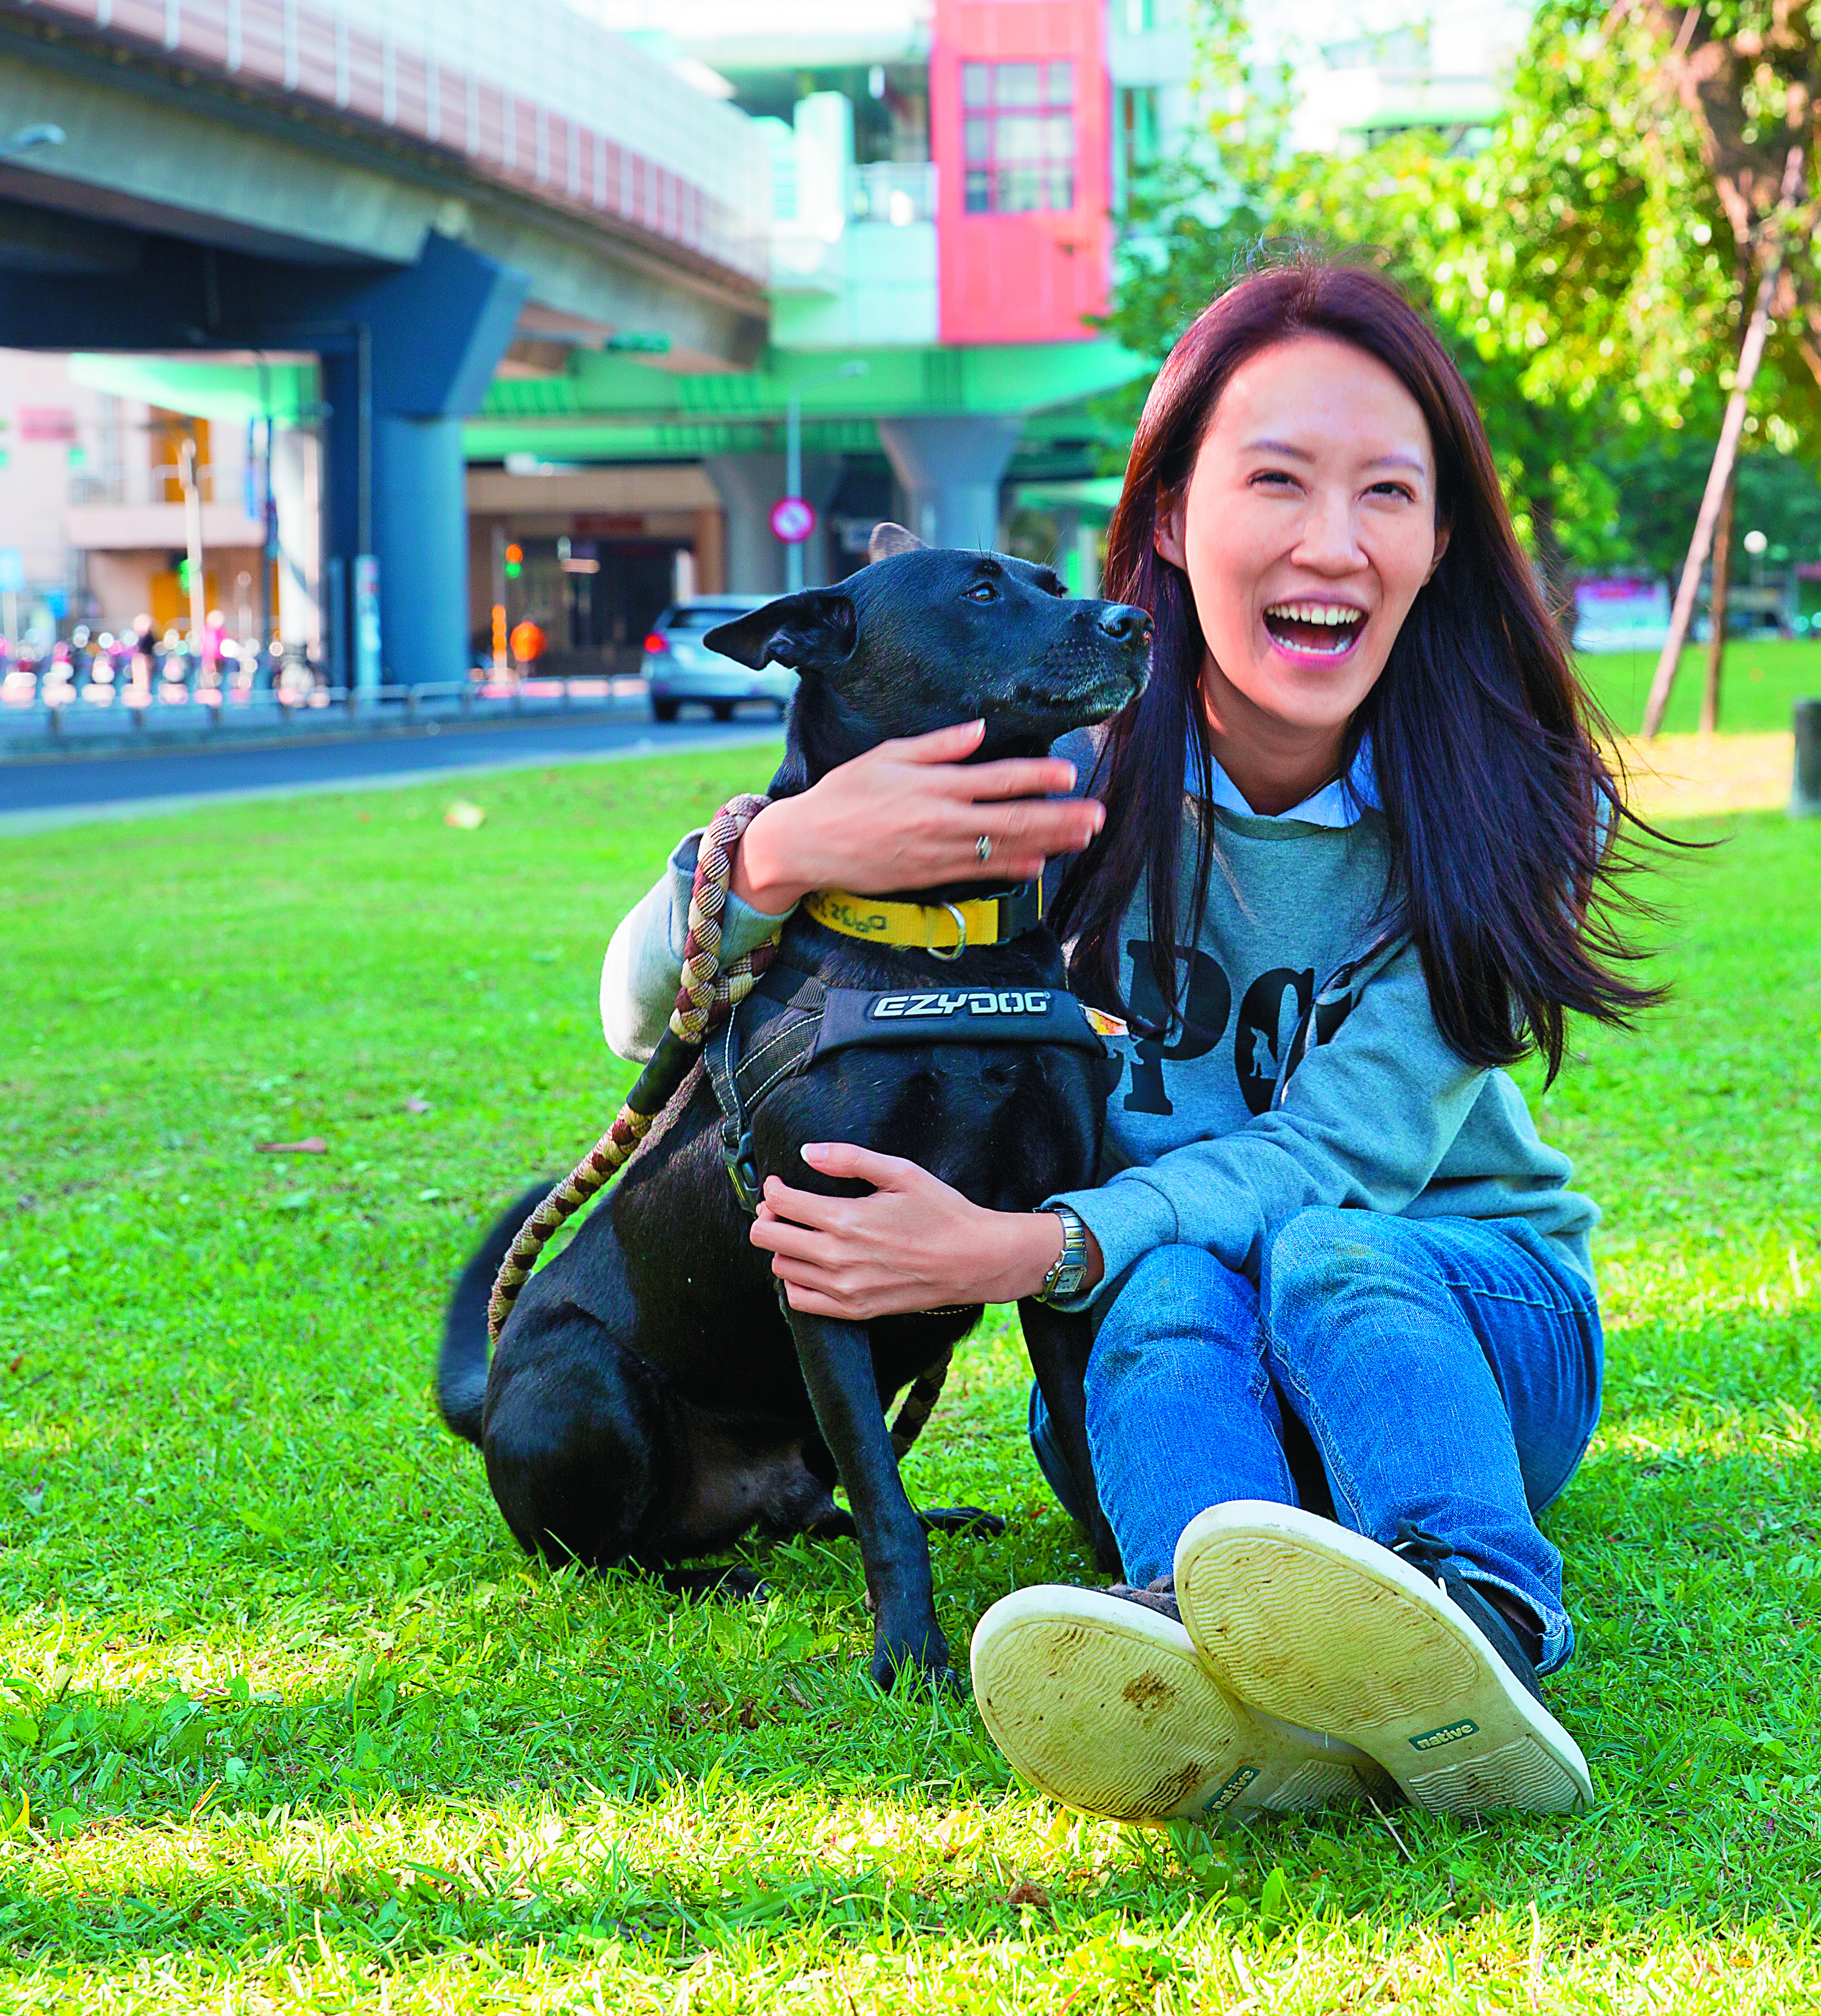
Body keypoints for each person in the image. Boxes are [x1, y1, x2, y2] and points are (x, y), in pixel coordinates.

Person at [594, 262, 1655, 1823]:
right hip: (1164, 1359)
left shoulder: (1510, 800)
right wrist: (782, 851)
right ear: (1170, 516)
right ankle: (1202, 1639)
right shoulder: (1047, 773)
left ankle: (1474, 1621)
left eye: (1389, 492)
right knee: (1169, 1283)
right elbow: (634, 1008)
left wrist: (1008, 1252)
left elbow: (1325, 1163)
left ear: (1438, 543)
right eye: (1276, 479)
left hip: (1462, 1332)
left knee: (1330, 1252)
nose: (1332, 539)